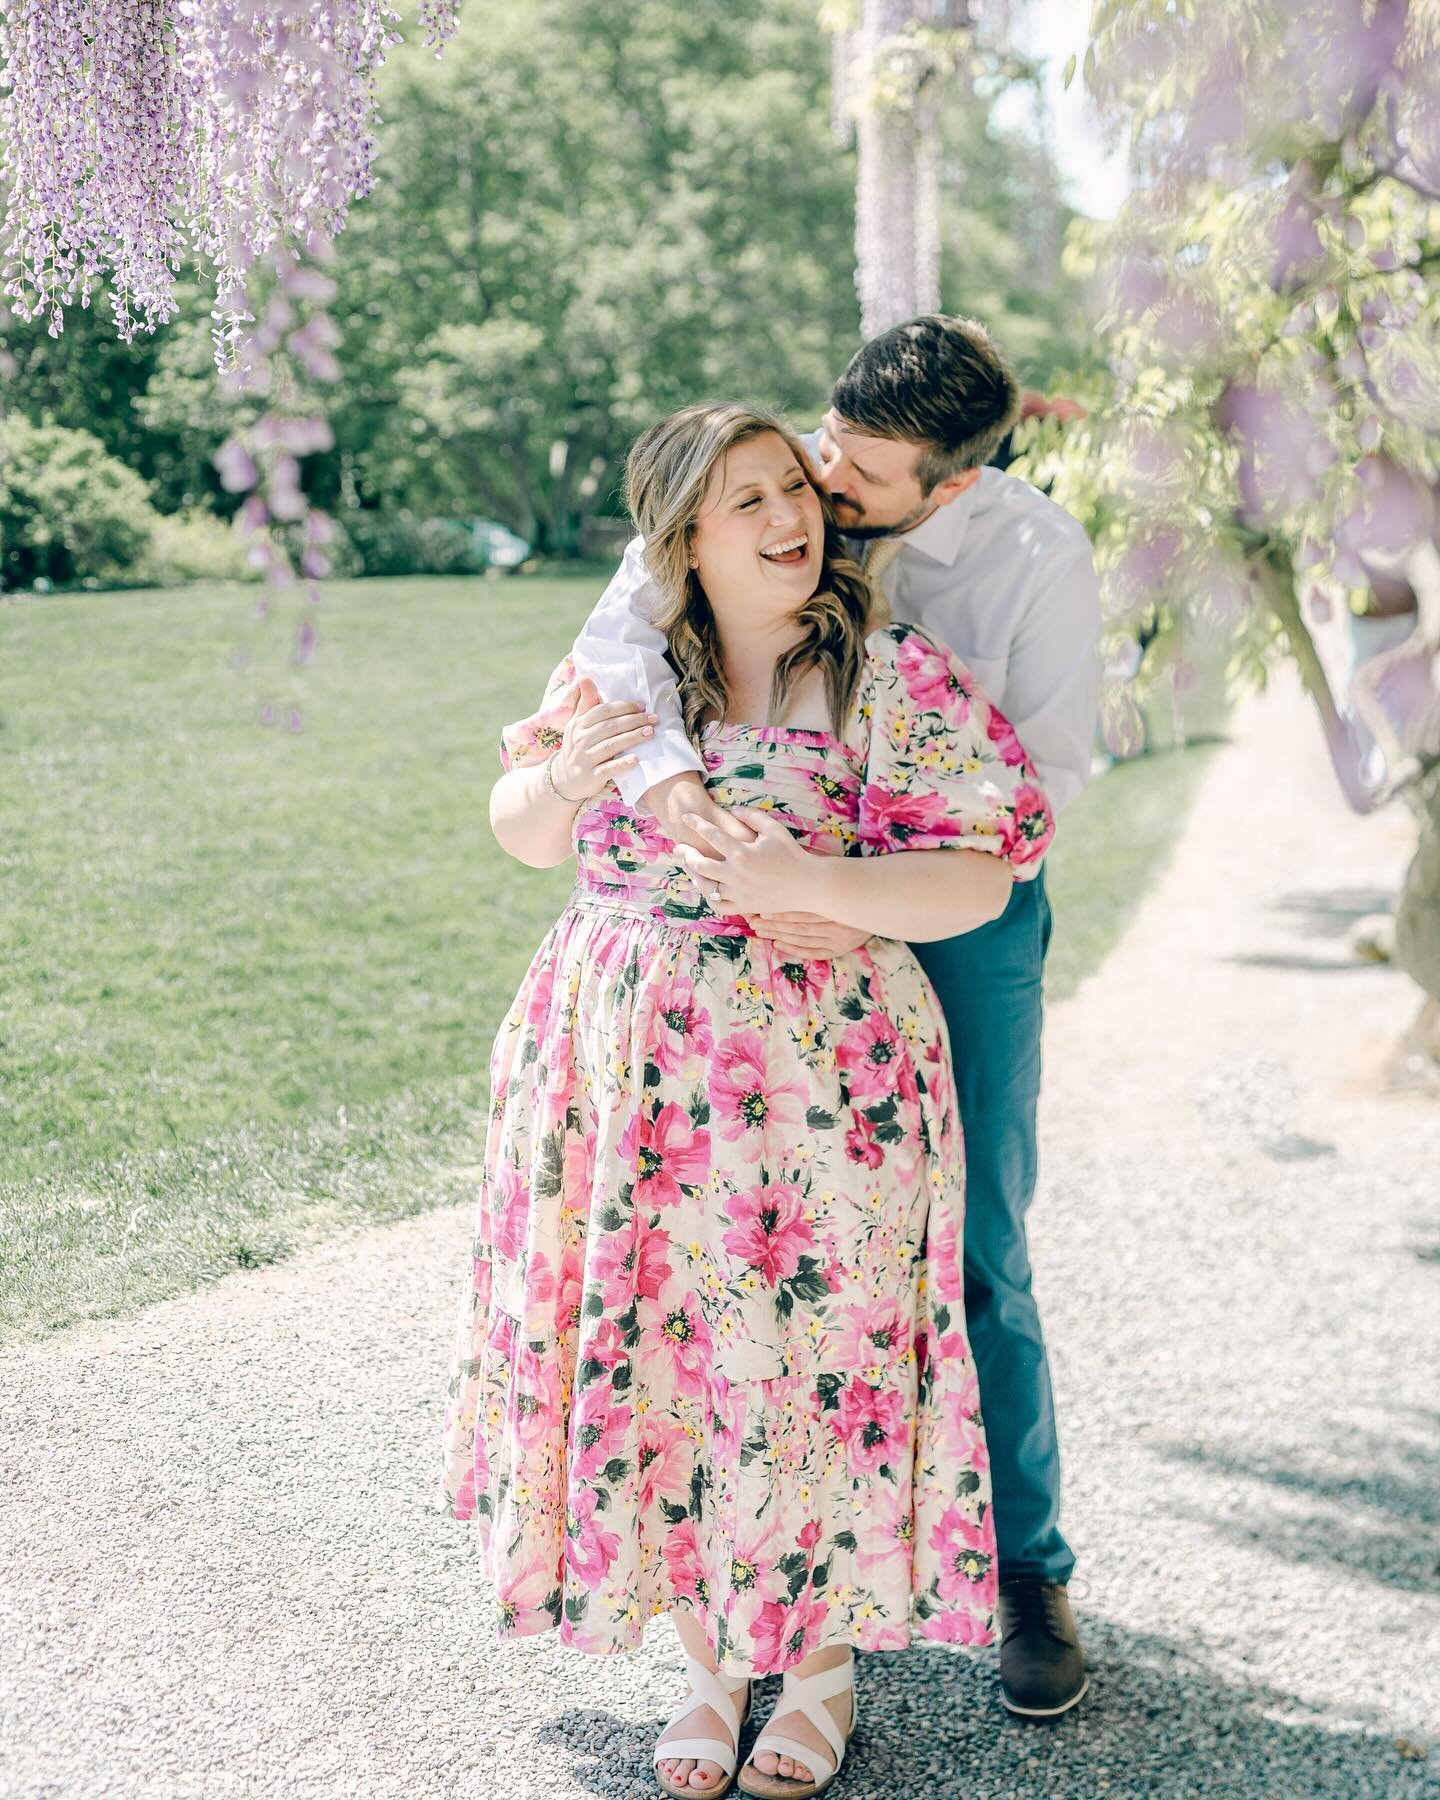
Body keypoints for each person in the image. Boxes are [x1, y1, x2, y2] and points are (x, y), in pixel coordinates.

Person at [440, 400, 1055, 1797]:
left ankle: (822, 1665)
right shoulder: (620, 670)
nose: (791, 517)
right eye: (747, 501)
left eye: (796, 488)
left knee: (808, 1365)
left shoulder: (887, 675)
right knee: (673, 1357)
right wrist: (556, 778)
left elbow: (985, 869)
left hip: (821, 1092)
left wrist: (816, 886)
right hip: (625, 1073)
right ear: (682, 541)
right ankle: (715, 1665)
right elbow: (524, 837)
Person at [572, 316, 1101, 1720]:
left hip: (952, 902)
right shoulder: (764, 497)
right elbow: (618, 649)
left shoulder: (1037, 560)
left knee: (973, 1236)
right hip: (773, 887)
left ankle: (1022, 1570)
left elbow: (1034, 798)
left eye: (857, 478)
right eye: (823, 448)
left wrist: (854, 894)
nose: (819, 490)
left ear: (951, 488)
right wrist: (682, 798)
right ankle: (791, 1569)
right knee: (767, 1236)